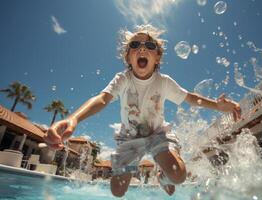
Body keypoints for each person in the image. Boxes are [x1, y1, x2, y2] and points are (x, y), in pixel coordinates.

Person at [43, 24, 241, 197]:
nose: (142, 49)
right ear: (128, 57)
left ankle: (163, 175)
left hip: (158, 134)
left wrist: (217, 105)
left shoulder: (164, 82)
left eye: (150, 46)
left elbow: (190, 98)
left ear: (157, 57)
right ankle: (133, 164)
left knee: (178, 176)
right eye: (135, 46)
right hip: (130, 139)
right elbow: (103, 99)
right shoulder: (123, 79)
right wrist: (74, 119)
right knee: (118, 192)